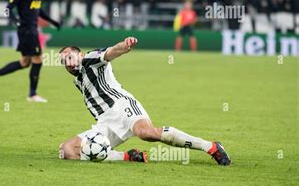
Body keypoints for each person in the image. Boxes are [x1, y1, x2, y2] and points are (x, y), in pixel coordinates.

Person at [58, 37, 231, 165]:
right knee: (67, 150)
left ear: (79, 54)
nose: (69, 63)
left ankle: (211, 147)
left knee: (146, 133)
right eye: (65, 62)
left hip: (122, 106)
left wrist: (124, 47)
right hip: (105, 122)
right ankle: (129, 156)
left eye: (70, 57)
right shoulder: (79, 80)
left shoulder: (90, 59)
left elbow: (110, 52)